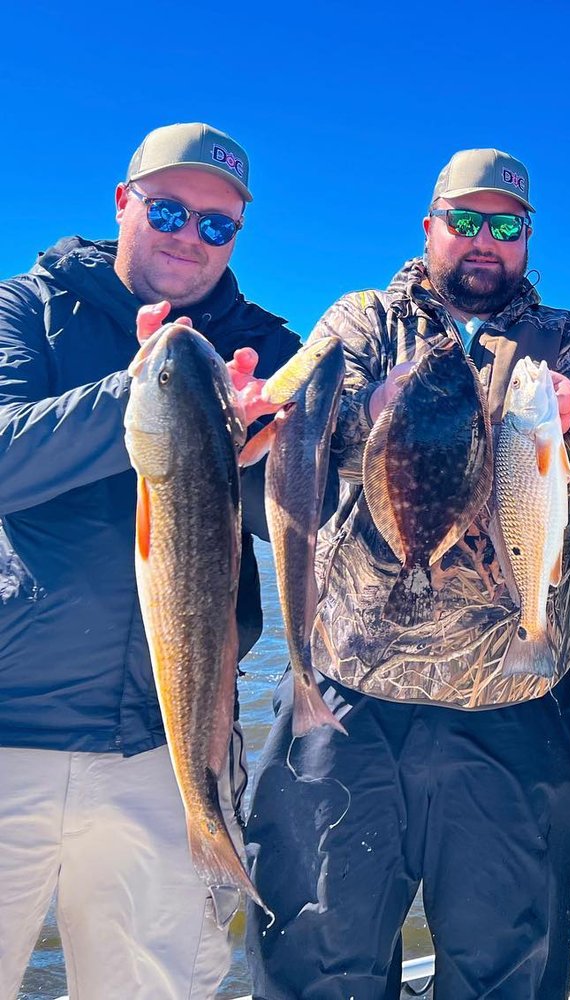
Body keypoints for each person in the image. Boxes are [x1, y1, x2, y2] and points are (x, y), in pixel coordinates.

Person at [245, 148, 570, 1000]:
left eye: (507, 226)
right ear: (431, 227)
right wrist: (368, 416)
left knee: (506, 965)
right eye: (468, 221)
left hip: (512, 705)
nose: (486, 241)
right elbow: (294, 443)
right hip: (349, 694)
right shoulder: (362, 323)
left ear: (527, 239)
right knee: (318, 955)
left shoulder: (566, 340)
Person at [0, 123, 299, 998]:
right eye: (170, 208)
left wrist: (246, 453)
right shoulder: (27, 309)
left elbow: (296, 519)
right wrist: (143, 393)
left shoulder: (264, 348)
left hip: (171, 754)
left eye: (218, 224)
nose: (190, 234)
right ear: (124, 203)